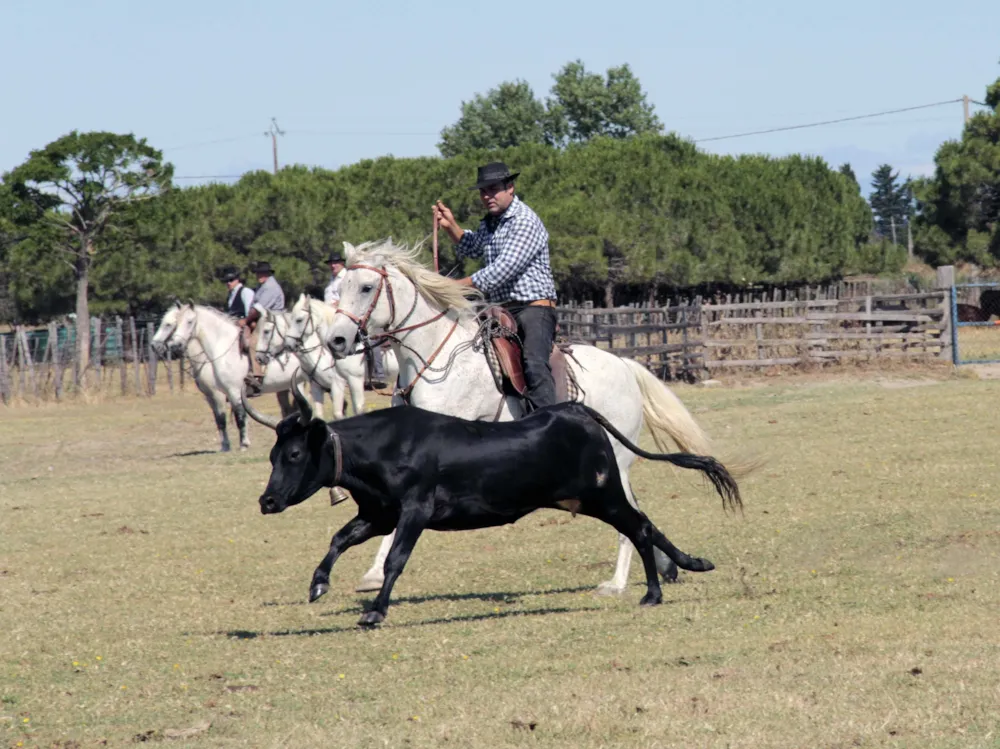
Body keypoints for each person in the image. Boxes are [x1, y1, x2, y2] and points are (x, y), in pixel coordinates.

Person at [432, 161, 558, 410]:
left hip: (534, 309)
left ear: (510, 187)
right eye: (483, 191)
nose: (487, 196)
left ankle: (549, 424)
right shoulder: (491, 223)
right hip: (502, 311)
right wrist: (451, 227)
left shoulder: (524, 221)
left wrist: (454, 287)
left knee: (533, 363)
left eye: (493, 189)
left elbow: (502, 270)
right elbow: (472, 245)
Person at [324, 247, 386, 388]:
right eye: (331, 263)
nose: (333, 265)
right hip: (334, 317)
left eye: (336, 263)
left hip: (350, 314)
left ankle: (379, 374)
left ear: (342, 264)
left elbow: (351, 298)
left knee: (369, 338)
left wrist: (338, 305)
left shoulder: (348, 277)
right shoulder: (331, 281)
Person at [238, 260, 286, 396]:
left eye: (262, 272)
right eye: (258, 273)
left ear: (268, 273)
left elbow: (258, 309)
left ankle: (257, 377)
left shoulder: (270, 287)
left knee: (254, 342)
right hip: (264, 320)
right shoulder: (263, 286)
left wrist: (246, 321)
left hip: (273, 321)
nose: (259, 275)